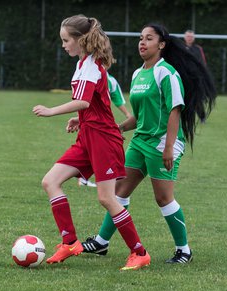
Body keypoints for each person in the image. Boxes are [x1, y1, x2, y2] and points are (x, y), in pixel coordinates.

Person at [82, 23, 216, 263]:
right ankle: (101, 243)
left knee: (163, 198)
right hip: (140, 141)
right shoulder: (137, 74)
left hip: (162, 143)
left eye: (149, 38)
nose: (142, 42)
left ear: (161, 45)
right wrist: (118, 127)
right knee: (119, 191)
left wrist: (168, 148)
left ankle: (184, 250)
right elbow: (140, 115)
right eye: (141, 38)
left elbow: (175, 111)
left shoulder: (167, 73)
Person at [33, 14, 150, 270]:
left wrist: (53, 110)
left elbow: (85, 101)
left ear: (80, 40)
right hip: (88, 135)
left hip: (103, 140)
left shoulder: (90, 66)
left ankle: (140, 252)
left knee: (107, 198)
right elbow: (93, 104)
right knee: (50, 181)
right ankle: (70, 242)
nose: (63, 45)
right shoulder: (82, 63)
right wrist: (79, 118)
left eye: (66, 40)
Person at [78, 72, 132, 187]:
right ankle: (96, 177)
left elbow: (117, 99)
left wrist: (128, 116)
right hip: (96, 123)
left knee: (93, 149)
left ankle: (87, 177)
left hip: (96, 121)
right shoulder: (88, 73)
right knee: (97, 149)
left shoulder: (109, 80)